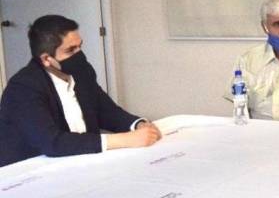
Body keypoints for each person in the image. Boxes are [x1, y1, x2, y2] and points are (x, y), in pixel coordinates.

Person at [0, 15, 162, 167]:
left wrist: (138, 125)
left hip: (80, 161)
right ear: (46, 59)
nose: (79, 54)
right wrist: (123, 140)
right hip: (30, 171)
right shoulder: (23, 87)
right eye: (70, 50)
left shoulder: (82, 72)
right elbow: (52, 142)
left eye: (80, 46)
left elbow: (107, 112)